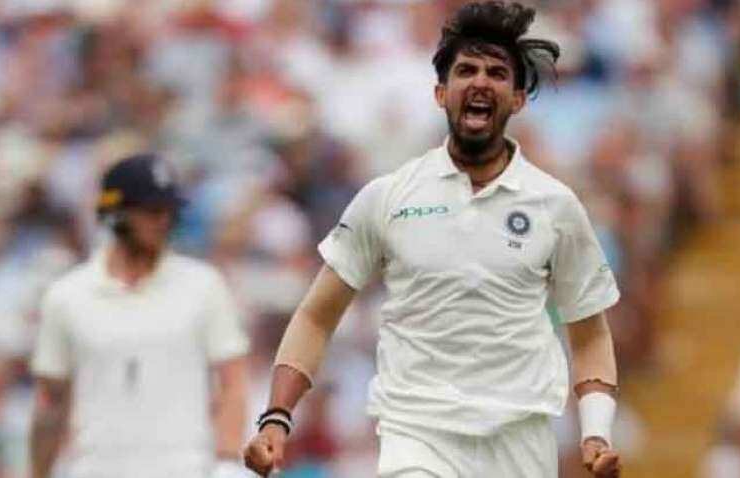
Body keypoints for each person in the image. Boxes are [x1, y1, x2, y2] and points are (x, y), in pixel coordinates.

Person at [244, 2, 622, 477]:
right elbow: (317, 315)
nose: (480, 82)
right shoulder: (388, 197)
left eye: (497, 73)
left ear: (518, 99)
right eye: (466, 70)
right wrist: (276, 417)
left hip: (520, 442)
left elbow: (590, 333)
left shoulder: (555, 205)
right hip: (417, 436)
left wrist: (595, 432)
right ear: (441, 93)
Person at [29, 154, 251, 478]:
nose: (164, 221)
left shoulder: (204, 286)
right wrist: (38, 472)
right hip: (96, 470)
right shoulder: (67, 296)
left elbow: (232, 383)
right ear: (115, 212)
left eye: (169, 211)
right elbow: (51, 400)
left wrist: (228, 461)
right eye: (151, 211)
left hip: (186, 469)